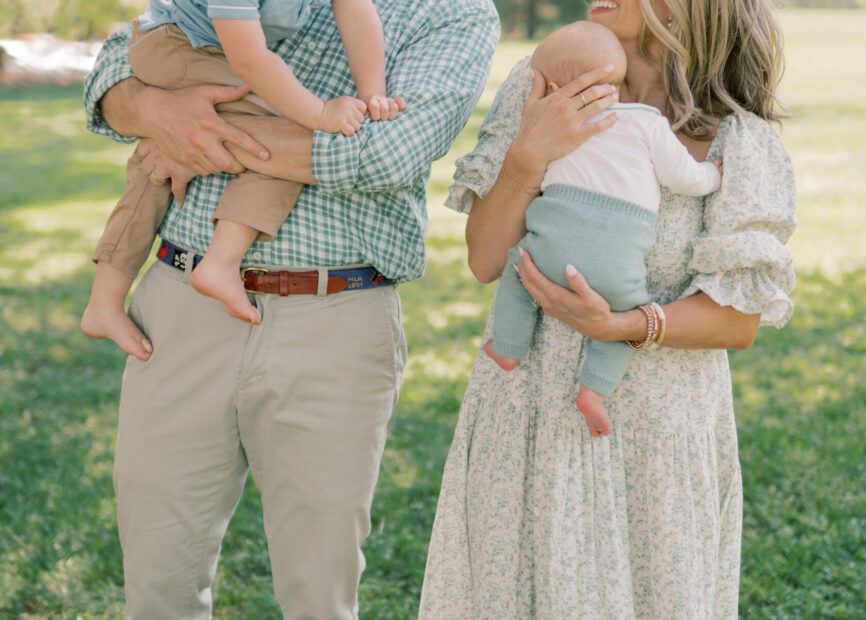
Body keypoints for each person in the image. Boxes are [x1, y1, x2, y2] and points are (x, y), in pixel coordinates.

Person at [81, 0, 499, 614]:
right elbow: (112, 72)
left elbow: (383, 155)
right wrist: (157, 111)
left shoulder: (455, 12)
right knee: (157, 576)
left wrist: (202, 132)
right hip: (179, 306)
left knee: (319, 588)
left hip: (335, 318)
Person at [419, 0, 796, 617]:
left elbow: (737, 320)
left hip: (654, 433)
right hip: (526, 410)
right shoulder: (548, 81)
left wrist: (620, 326)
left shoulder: (738, 140)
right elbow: (486, 259)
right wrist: (526, 158)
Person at [82, 0, 403, 359]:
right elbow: (249, 58)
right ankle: (219, 264)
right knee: (294, 129)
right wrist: (321, 113)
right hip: (176, 44)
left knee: (156, 163)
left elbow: (356, 12)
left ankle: (104, 302)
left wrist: (373, 93)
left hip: (201, 46)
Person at [483, 21, 722, 437]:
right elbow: (685, 180)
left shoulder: (552, 130)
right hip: (617, 256)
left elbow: (486, 259)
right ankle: (594, 391)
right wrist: (712, 176)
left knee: (517, 271)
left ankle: (507, 348)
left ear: (552, 87)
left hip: (549, 247)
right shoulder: (646, 122)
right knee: (625, 318)